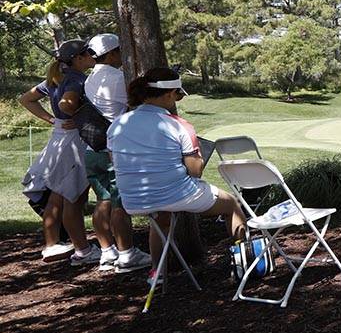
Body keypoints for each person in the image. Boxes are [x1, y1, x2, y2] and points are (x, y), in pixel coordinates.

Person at [108, 68, 247, 265]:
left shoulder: (117, 124)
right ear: (169, 94)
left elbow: (115, 161)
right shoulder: (179, 125)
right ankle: (247, 261)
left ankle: (157, 274)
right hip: (177, 194)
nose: (178, 100)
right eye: (178, 95)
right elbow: (195, 171)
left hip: (132, 199)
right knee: (231, 204)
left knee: (161, 219)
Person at [18, 40, 99, 264]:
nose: (93, 55)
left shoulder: (56, 77)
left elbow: (26, 99)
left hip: (59, 138)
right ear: (78, 58)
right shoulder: (75, 78)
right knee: (73, 196)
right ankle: (83, 250)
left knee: (57, 195)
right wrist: (74, 115)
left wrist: (53, 120)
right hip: (73, 142)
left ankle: (52, 244)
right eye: (88, 53)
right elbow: (67, 102)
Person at [83, 33, 152, 271]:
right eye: (119, 51)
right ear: (111, 54)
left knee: (103, 199)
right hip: (114, 147)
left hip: (91, 148)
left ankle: (106, 251)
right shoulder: (118, 78)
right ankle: (126, 253)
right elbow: (138, 103)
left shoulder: (89, 79)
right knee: (119, 203)